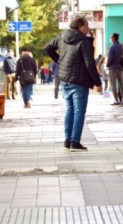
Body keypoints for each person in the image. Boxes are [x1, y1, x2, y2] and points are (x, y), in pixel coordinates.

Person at [44, 16, 103, 151]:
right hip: (79, 80)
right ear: (80, 26)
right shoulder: (84, 41)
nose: (88, 28)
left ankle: (68, 139)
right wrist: (97, 82)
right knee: (79, 111)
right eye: (87, 25)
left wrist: (61, 61)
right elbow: (89, 64)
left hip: (65, 80)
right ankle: (75, 141)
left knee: (70, 109)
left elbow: (47, 48)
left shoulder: (62, 37)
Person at [106, 32, 123, 105]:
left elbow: (110, 58)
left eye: (111, 38)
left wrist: (107, 65)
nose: (110, 39)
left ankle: (116, 100)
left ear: (113, 39)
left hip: (112, 68)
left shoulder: (112, 47)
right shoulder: (121, 46)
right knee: (121, 84)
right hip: (120, 68)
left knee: (113, 85)